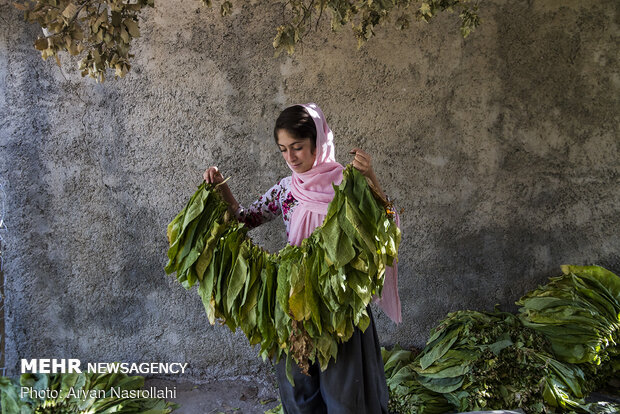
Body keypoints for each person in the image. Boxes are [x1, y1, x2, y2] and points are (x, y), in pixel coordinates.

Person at [204, 103, 400, 414]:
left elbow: (385, 223)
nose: (291, 157)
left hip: (340, 305)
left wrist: (371, 177)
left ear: (318, 143)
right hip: (294, 303)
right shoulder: (286, 190)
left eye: (298, 147)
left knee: (346, 398)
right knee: (300, 395)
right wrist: (220, 189)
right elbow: (243, 219)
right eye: (283, 149)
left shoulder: (346, 185)